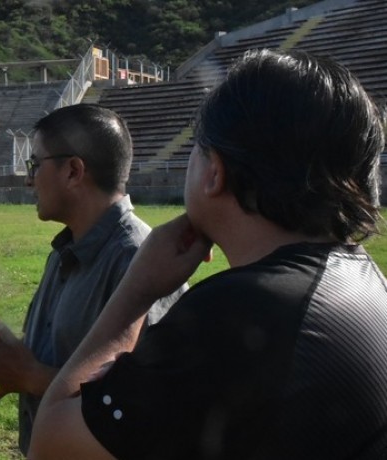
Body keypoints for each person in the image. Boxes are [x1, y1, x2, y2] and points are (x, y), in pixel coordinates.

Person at [29, 49, 387, 459]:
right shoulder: (364, 278)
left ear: (214, 172)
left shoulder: (244, 311)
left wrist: (137, 289)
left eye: (196, 150)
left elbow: (52, 443)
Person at [0, 103, 185, 455]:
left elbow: (147, 405)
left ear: (73, 171)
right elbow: (69, 355)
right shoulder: (66, 251)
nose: (27, 179)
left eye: (35, 164)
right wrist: (0, 361)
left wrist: (31, 375)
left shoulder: (138, 259)